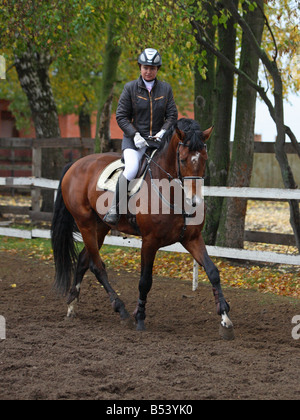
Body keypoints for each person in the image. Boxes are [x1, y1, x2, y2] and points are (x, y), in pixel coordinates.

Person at [103, 48, 178, 225]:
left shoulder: (165, 89)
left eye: (152, 68)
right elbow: (121, 116)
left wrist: (163, 131)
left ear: (157, 69)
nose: (148, 71)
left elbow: (172, 116)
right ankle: (115, 209)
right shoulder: (130, 88)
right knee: (131, 169)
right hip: (134, 142)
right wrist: (134, 134)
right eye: (145, 67)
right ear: (140, 67)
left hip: (158, 143)